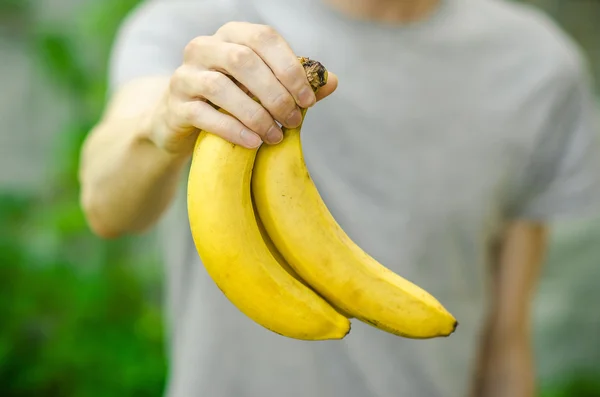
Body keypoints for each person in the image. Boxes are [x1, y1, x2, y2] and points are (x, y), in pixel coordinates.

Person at [77, 0, 600, 396]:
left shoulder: (538, 67)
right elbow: (106, 204)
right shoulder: (202, 23)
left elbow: (505, 338)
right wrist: (161, 124)